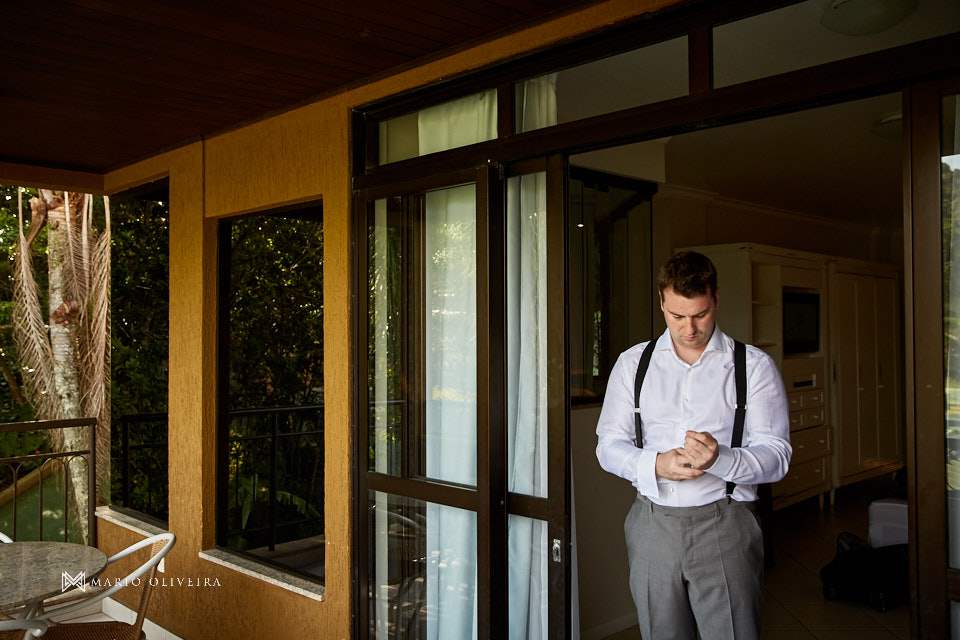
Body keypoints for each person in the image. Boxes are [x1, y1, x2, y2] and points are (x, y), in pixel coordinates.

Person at [595, 250, 791, 640]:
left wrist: (723, 459)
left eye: (700, 314)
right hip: (651, 525)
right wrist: (655, 464)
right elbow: (608, 446)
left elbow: (778, 456)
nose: (689, 328)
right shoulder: (633, 364)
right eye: (677, 316)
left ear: (716, 298)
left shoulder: (752, 366)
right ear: (662, 303)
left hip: (727, 524)